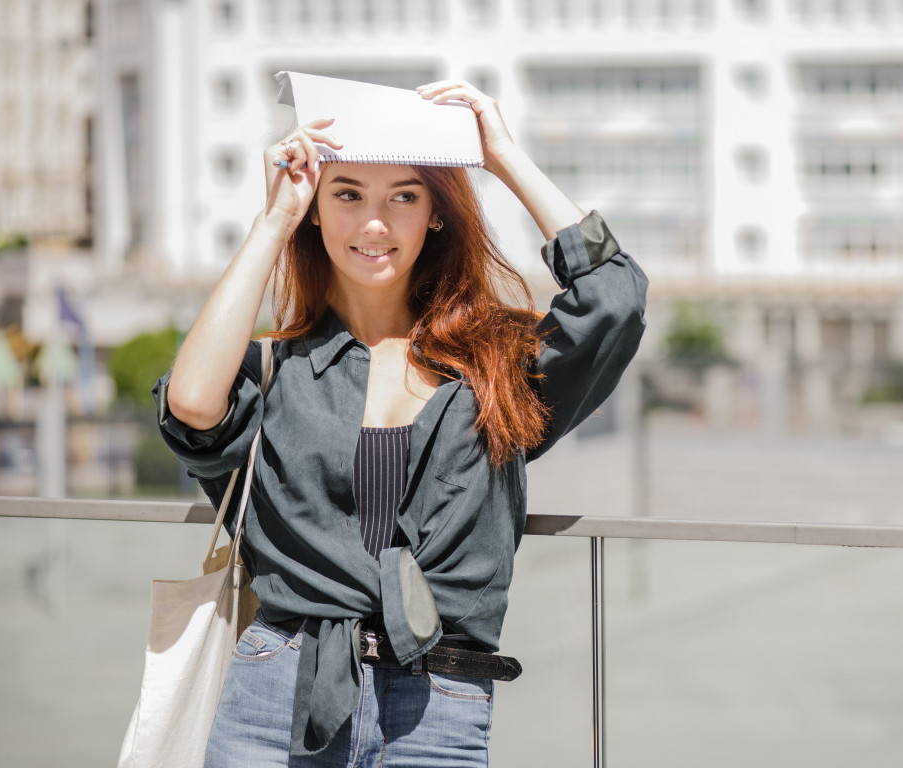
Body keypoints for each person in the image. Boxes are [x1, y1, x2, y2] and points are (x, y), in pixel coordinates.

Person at [154, 79, 647, 767]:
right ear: (318, 213)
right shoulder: (278, 370)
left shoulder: (496, 367)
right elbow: (193, 407)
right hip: (280, 691)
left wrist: (502, 157)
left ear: (436, 215)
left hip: (439, 706)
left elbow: (614, 300)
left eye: (404, 197)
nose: (374, 224)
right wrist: (274, 220)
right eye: (348, 194)